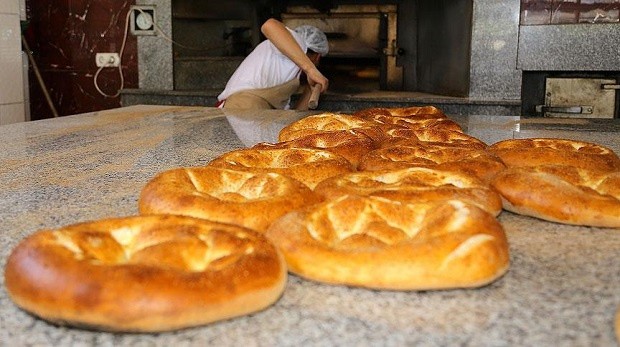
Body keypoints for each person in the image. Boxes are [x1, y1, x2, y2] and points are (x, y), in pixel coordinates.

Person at [217, 18, 329, 110]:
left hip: (259, 112)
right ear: (317, 56)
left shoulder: (289, 73)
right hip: (242, 108)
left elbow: (292, 116)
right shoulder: (298, 42)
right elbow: (269, 25)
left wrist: (309, 92)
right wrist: (311, 70)